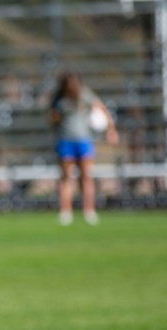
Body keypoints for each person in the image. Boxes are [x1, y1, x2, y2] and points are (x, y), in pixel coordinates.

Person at [48, 71, 118, 225]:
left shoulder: (84, 95)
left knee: (86, 177)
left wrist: (110, 129)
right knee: (66, 177)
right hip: (65, 141)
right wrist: (57, 116)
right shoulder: (58, 99)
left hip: (83, 140)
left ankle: (88, 210)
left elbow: (102, 108)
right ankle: (65, 212)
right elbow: (52, 118)